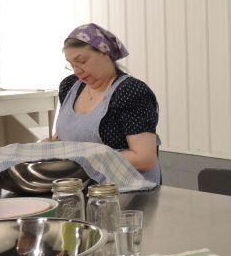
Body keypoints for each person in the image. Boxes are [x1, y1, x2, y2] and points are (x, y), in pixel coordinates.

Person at [54, 23, 161, 186]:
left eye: (82, 61)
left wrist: (84, 158)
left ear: (104, 53)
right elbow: (64, 136)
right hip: (81, 185)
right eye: (72, 64)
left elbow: (144, 159)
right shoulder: (69, 86)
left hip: (128, 190)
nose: (77, 71)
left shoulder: (130, 92)